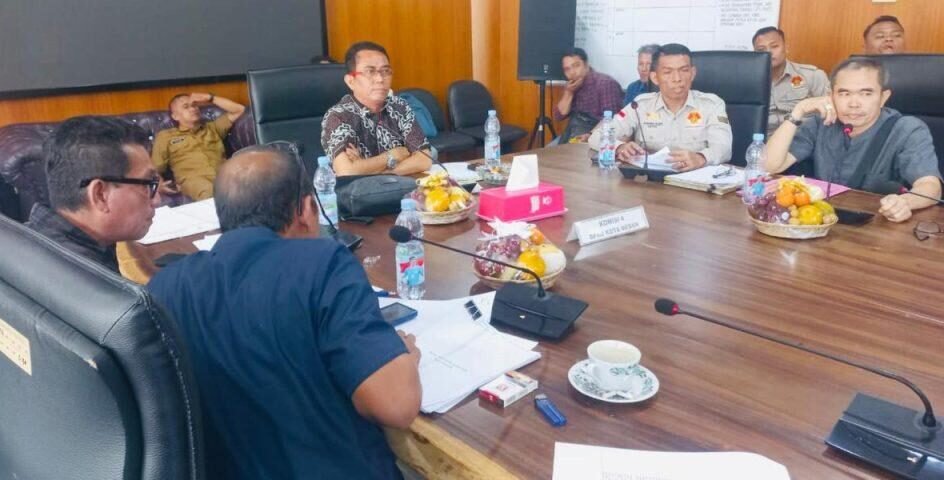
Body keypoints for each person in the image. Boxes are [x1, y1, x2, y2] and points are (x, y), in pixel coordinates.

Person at [147, 145, 421, 479]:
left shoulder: (164, 288)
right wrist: (404, 357)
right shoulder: (324, 264)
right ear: (306, 209)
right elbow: (396, 405)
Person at [764, 58, 941, 223]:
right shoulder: (821, 123)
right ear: (830, 95)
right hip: (821, 220)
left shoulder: (907, 129)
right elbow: (769, 166)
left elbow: (930, 186)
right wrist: (798, 110)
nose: (854, 103)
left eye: (866, 93)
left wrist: (906, 202)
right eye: (844, 93)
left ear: (883, 97)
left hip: (879, 226)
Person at [26, 116, 160, 272]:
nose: (156, 200)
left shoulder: (19, 237)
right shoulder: (95, 285)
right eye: (147, 184)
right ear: (100, 195)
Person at [588, 43, 733, 171]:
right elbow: (597, 136)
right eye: (668, 72)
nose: (677, 78)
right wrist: (619, 147)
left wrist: (701, 158)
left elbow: (723, 148)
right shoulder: (640, 105)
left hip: (694, 183)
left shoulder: (711, 105)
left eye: (684, 70)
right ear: (655, 78)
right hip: (649, 183)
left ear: (693, 73)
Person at [321, 41, 432, 176]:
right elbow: (347, 171)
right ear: (351, 81)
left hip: (404, 189)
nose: (380, 78)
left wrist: (371, 169)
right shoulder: (338, 116)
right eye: (370, 71)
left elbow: (424, 159)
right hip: (361, 194)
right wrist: (392, 156)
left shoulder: (400, 106)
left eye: (385, 71)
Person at [151, 92, 246, 201]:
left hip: (225, 175)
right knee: (210, 193)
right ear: (175, 116)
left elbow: (239, 109)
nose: (193, 109)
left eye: (194, 105)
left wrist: (210, 98)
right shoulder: (166, 136)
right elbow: (155, 167)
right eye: (186, 107)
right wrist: (159, 183)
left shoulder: (212, 128)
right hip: (195, 181)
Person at [752, 27, 830, 135]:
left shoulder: (812, 75)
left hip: (802, 139)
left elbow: (830, 111)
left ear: (786, 48)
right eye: (761, 50)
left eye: (774, 46)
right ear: (754, 54)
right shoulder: (748, 82)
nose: (769, 52)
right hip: (762, 141)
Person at [554, 47, 624, 143]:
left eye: (576, 66)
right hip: (573, 129)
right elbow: (559, 116)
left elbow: (610, 118)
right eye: (567, 69)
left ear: (586, 64)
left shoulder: (605, 83)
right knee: (544, 154)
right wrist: (568, 93)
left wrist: (591, 135)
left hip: (596, 131)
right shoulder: (572, 86)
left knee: (560, 156)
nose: (572, 72)